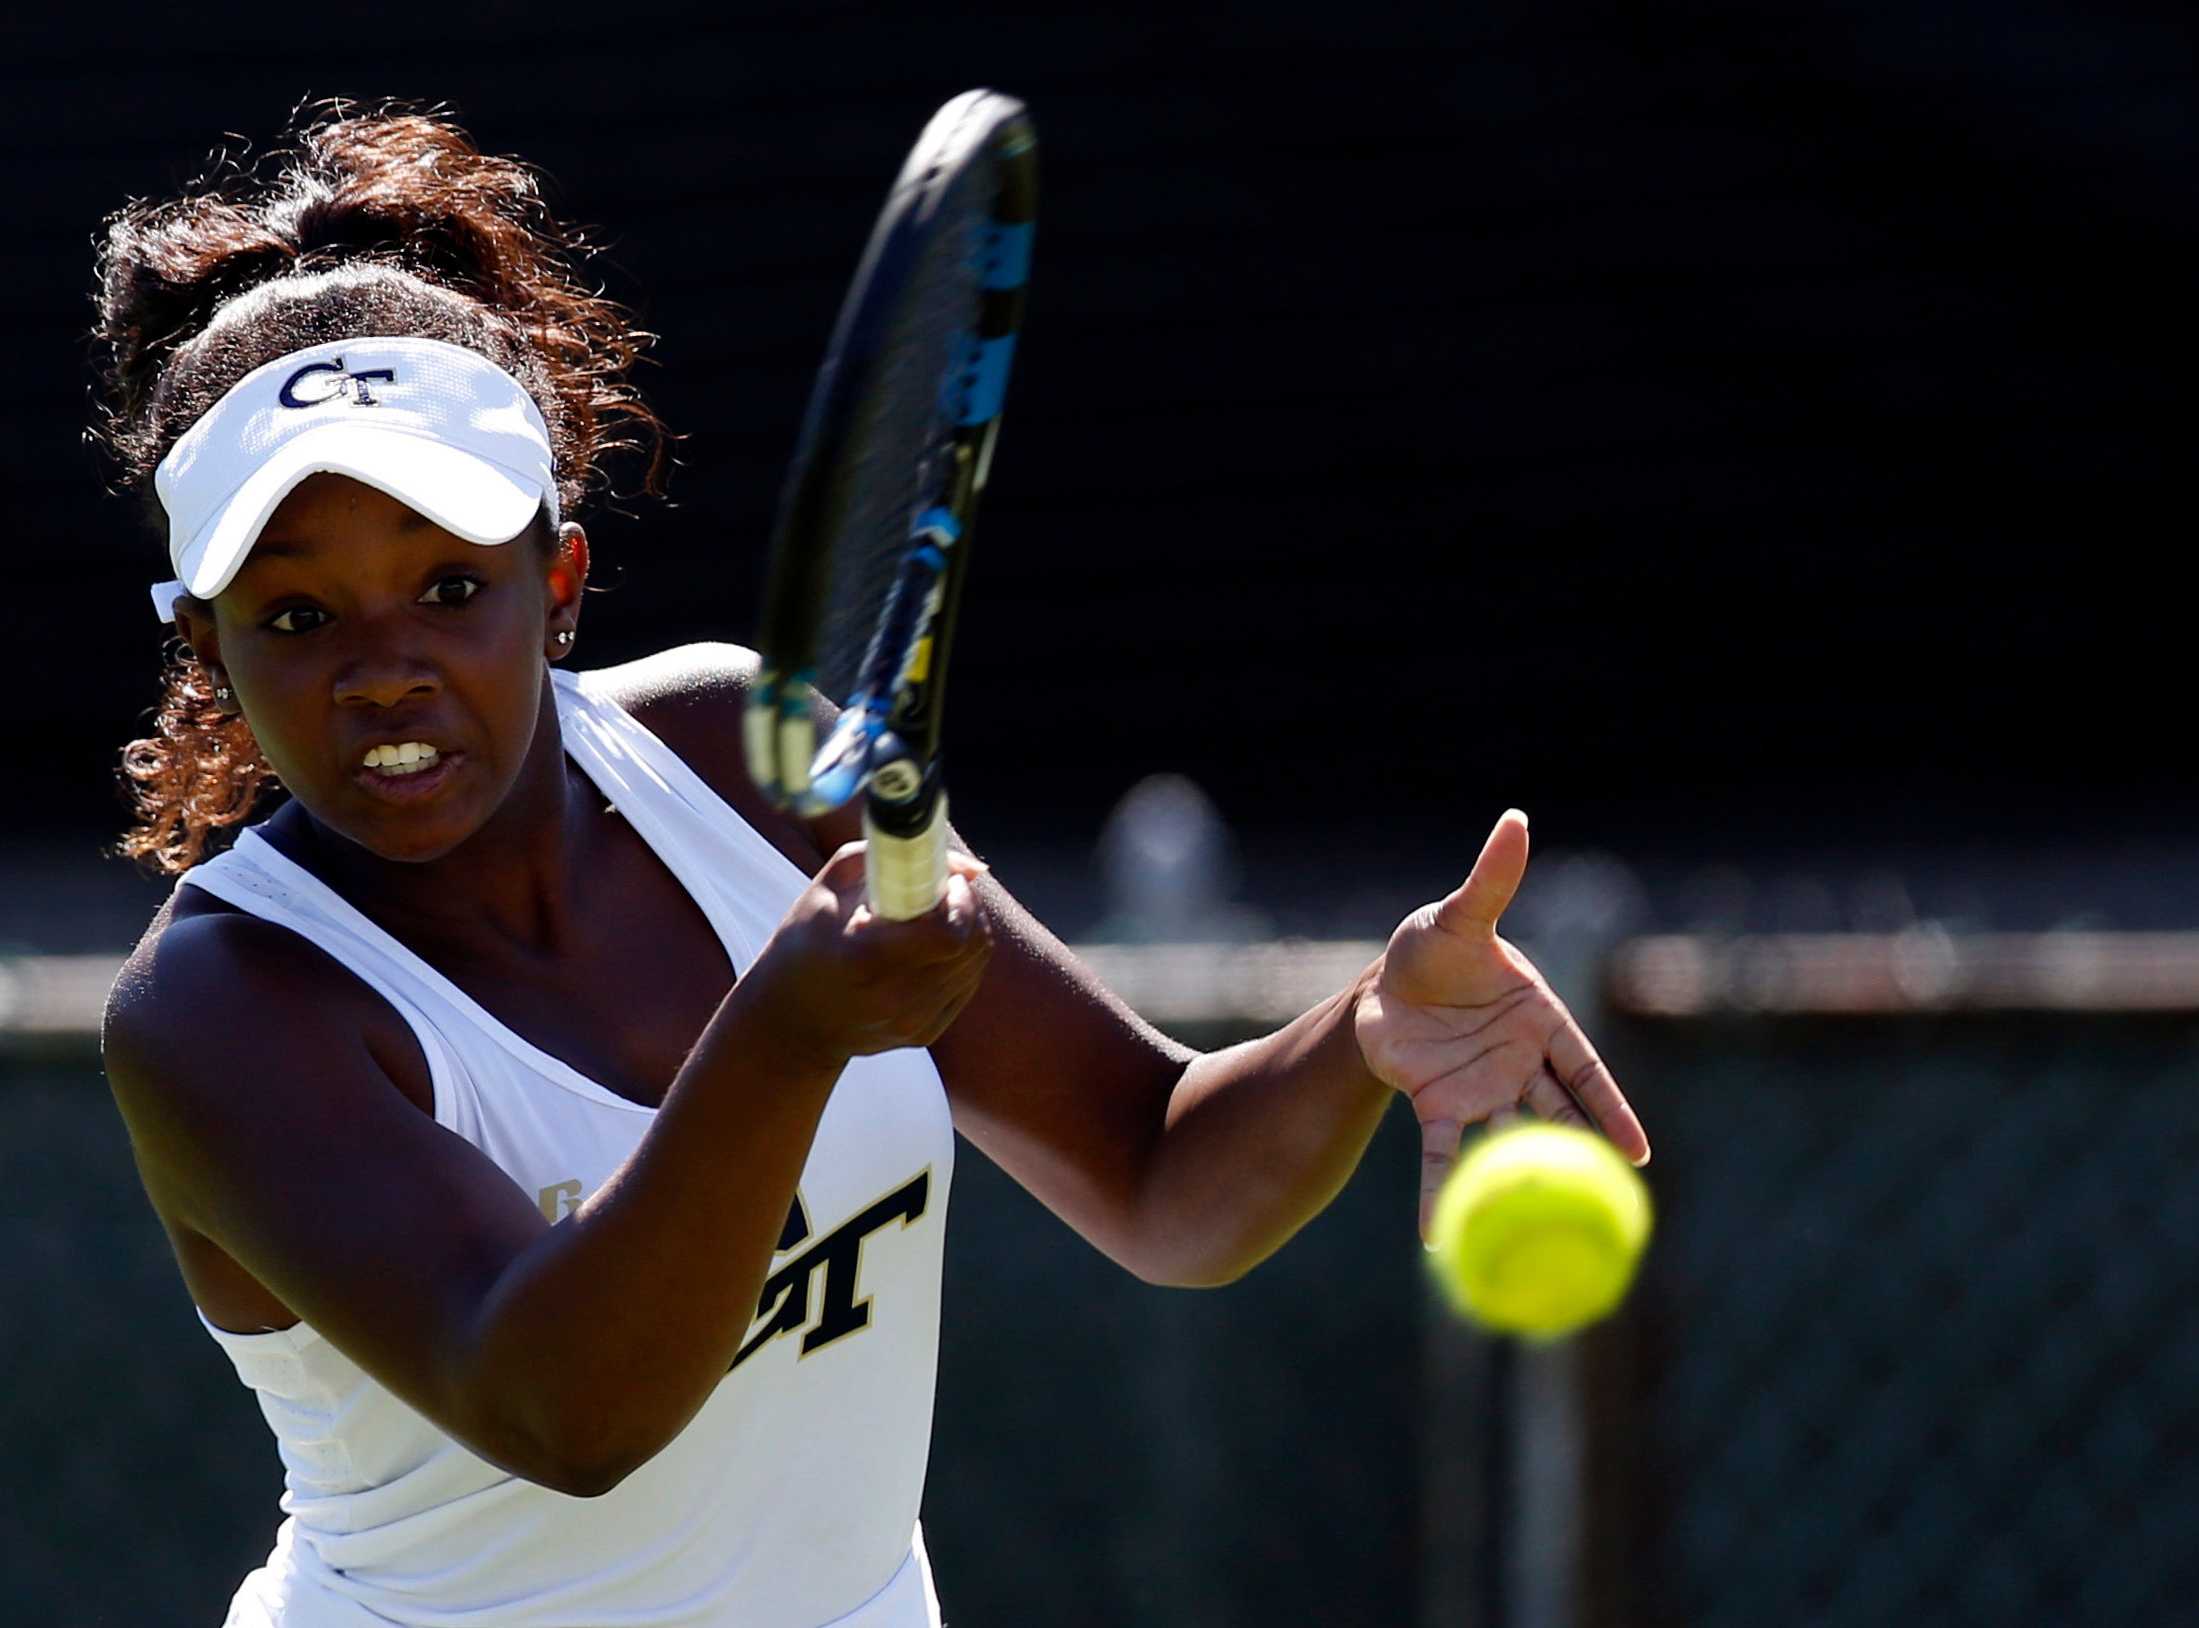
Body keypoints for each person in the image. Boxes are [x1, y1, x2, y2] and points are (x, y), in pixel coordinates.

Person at [95, 107, 1650, 1628]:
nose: (384, 669)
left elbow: (1165, 1178)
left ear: (556, 581)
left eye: (449, 586)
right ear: (204, 647)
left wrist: (1363, 1035)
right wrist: (787, 1030)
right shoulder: (219, 1007)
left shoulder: (739, 754)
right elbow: (565, 1408)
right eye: (297, 617)